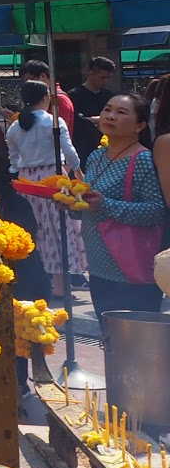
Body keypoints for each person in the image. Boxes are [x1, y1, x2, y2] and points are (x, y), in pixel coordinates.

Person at [78, 94, 165, 314]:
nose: (111, 116)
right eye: (107, 110)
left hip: (131, 270)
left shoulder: (144, 159)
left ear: (140, 126)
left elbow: (156, 211)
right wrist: (73, 206)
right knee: (109, 340)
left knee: (137, 343)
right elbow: (89, 207)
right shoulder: (95, 157)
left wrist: (105, 205)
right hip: (97, 267)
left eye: (121, 112)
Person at [6, 79, 84, 296]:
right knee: (58, 229)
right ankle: (61, 286)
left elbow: (12, 159)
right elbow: (69, 152)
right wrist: (77, 172)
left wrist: (19, 172)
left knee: (35, 230)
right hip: (52, 179)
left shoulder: (15, 126)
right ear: (45, 98)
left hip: (26, 181)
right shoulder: (53, 122)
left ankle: (38, 280)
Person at [67, 56, 116, 163]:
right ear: (91, 73)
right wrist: (92, 120)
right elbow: (73, 122)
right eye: (102, 77)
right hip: (83, 149)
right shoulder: (74, 95)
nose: (105, 81)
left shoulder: (109, 96)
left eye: (108, 77)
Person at [20, 59, 74, 132]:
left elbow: (61, 132)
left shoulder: (59, 99)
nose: (28, 84)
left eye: (30, 80)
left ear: (43, 76)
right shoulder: (43, 97)